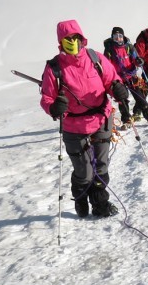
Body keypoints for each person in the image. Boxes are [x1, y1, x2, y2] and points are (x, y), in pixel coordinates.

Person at [40, 20, 128, 218]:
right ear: (60, 41)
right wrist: (54, 107)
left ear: (81, 38)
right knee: (84, 171)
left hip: (102, 117)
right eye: (67, 38)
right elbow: (47, 97)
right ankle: (80, 197)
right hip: (73, 124)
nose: (72, 41)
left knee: (102, 166)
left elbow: (111, 79)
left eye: (75, 37)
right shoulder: (54, 68)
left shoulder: (95, 58)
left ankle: (100, 204)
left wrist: (117, 88)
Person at [103, 26, 148, 126]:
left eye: (120, 36)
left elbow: (136, 59)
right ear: (112, 37)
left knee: (139, 96)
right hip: (118, 78)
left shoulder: (129, 46)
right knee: (122, 99)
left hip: (131, 75)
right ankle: (126, 119)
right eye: (115, 36)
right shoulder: (109, 49)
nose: (118, 38)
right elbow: (107, 65)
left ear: (123, 36)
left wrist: (139, 61)